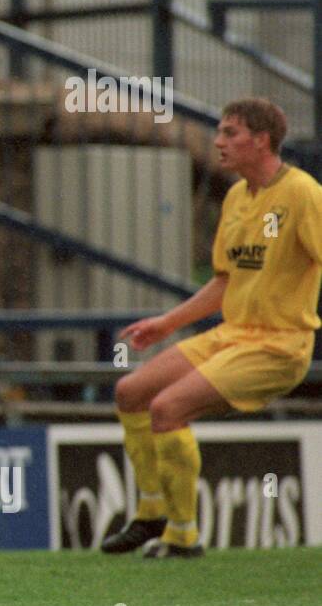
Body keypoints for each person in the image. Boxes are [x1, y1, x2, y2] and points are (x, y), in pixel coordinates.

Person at [107, 97, 322, 558]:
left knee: (167, 409)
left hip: (279, 345)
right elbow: (226, 281)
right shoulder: (236, 196)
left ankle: (183, 536)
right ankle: (151, 512)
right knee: (131, 391)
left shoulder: (303, 194)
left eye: (230, 133)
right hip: (233, 335)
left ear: (261, 141)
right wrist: (167, 323)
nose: (218, 142)